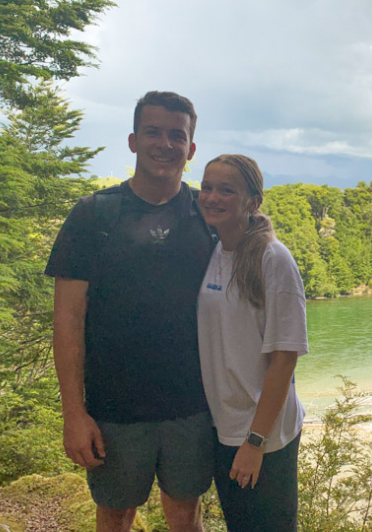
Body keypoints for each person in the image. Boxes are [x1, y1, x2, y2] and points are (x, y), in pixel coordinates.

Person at [45, 91, 215, 532]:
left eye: (176, 135)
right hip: (114, 411)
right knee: (116, 515)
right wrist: (73, 414)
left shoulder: (208, 218)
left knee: (185, 514)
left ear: (191, 149)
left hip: (194, 406)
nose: (165, 143)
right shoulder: (93, 216)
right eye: (152, 132)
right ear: (133, 140)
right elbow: (67, 321)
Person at [197, 154, 308, 531]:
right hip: (222, 426)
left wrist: (255, 442)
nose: (212, 197)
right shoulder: (212, 250)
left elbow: (284, 359)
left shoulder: (273, 258)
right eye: (207, 187)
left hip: (265, 435)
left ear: (253, 202)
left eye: (226, 190)